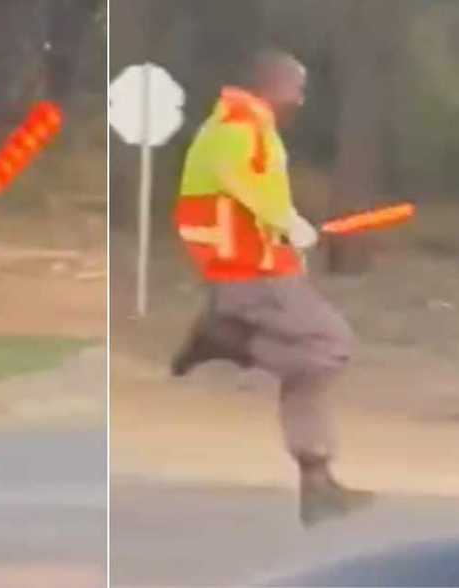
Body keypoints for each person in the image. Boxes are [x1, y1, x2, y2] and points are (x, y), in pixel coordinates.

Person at [170, 49, 373, 526]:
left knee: (310, 366)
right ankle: (230, 339)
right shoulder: (241, 127)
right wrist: (289, 222)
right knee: (332, 345)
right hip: (251, 274)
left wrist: (290, 230)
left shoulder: (237, 125)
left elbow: (249, 194)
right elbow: (241, 183)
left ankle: (317, 481)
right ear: (272, 84)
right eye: (296, 87)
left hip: (256, 267)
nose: (300, 99)